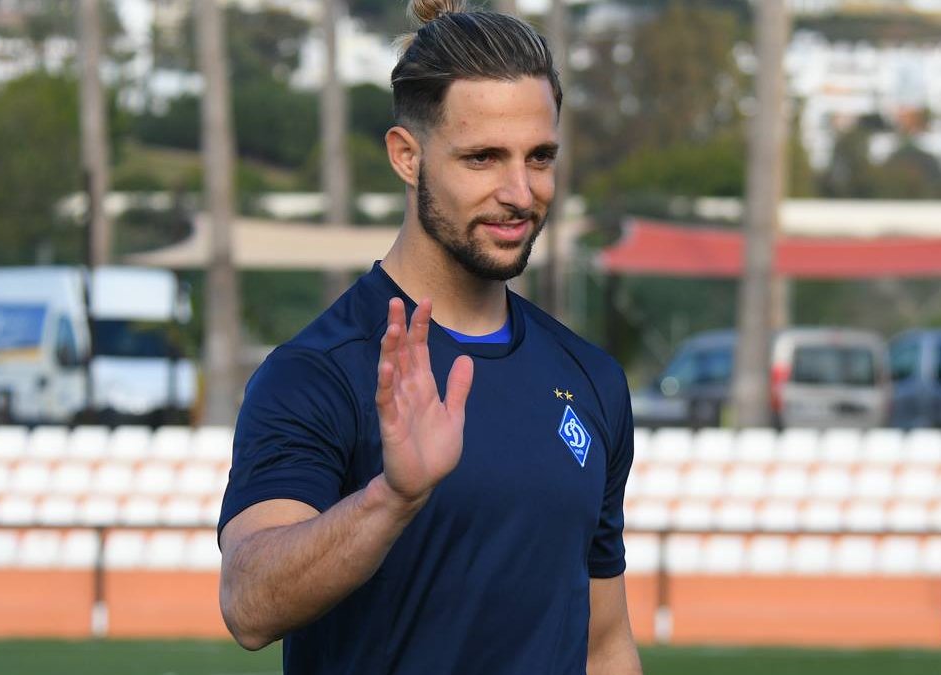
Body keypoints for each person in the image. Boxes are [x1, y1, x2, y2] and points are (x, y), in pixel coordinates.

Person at [216, 0, 642, 673]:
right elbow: (249, 602)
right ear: (407, 157)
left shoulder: (591, 380)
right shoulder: (318, 371)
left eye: (539, 157)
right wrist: (392, 498)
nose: (519, 192)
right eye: (483, 158)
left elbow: (604, 644)